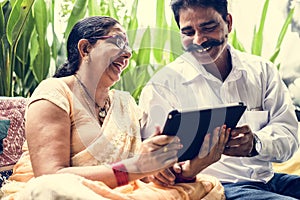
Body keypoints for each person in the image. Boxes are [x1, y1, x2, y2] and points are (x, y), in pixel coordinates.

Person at [0, 16, 228, 200]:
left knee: (206, 185)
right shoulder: (55, 92)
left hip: (118, 190)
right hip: (62, 191)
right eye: (118, 43)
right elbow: (50, 175)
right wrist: (136, 166)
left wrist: (179, 165)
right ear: (85, 49)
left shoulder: (125, 103)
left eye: (128, 48)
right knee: (52, 189)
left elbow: (141, 174)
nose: (127, 54)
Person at [139, 0, 300, 199]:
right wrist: (163, 167)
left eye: (209, 27)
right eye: (188, 33)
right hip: (217, 187)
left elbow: (289, 137)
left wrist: (256, 143)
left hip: (269, 179)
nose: (199, 40)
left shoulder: (262, 71)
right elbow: (157, 166)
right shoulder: (162, 86)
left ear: (228, 23)